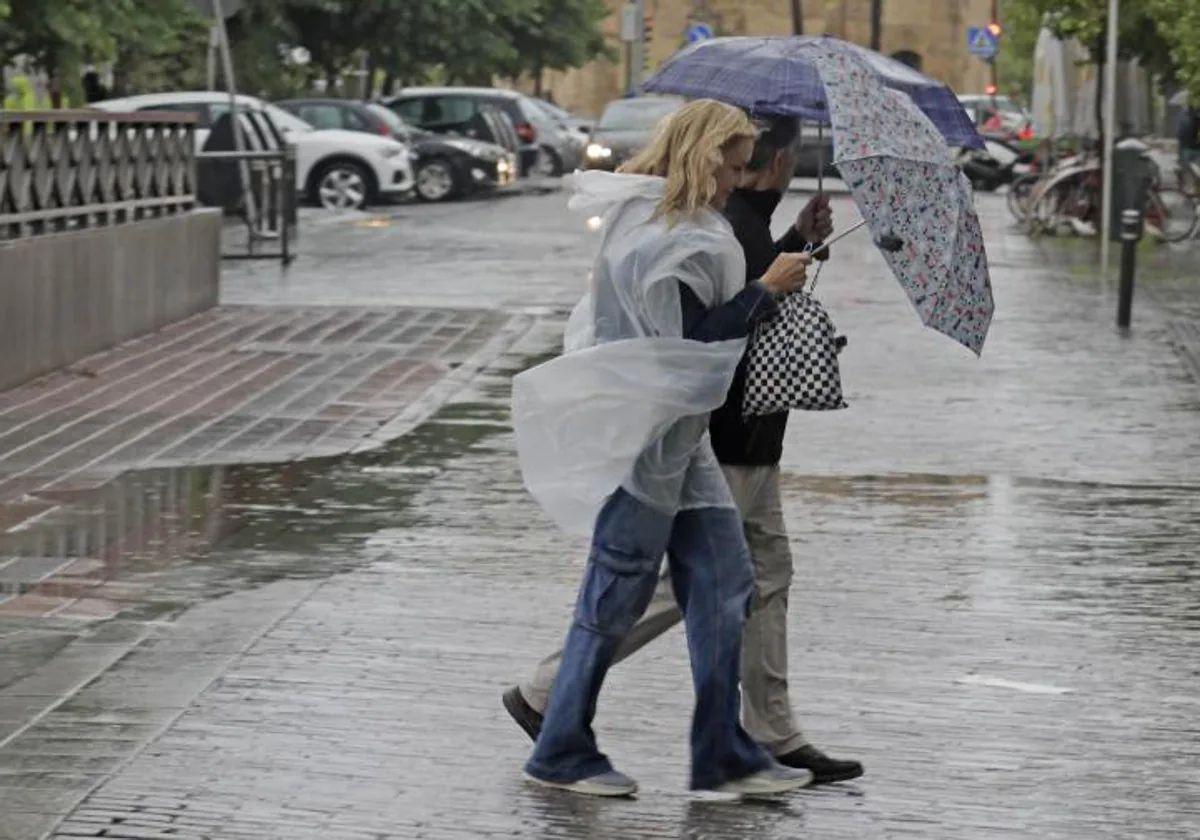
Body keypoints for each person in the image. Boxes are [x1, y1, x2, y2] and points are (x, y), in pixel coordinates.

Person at [504, 117, 863, 786]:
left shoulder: (689, 228)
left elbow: (712, 316)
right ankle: (559, 748)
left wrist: (781, 265)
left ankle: (723, 756)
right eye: (733, 167)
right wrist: (764, 290)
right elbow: (687, 344)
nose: (740, 180)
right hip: (643, 442)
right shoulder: (658, 241)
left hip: (683, 441)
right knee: (614, 595)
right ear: (702, 157)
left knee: (727, 585)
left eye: (749, 167)